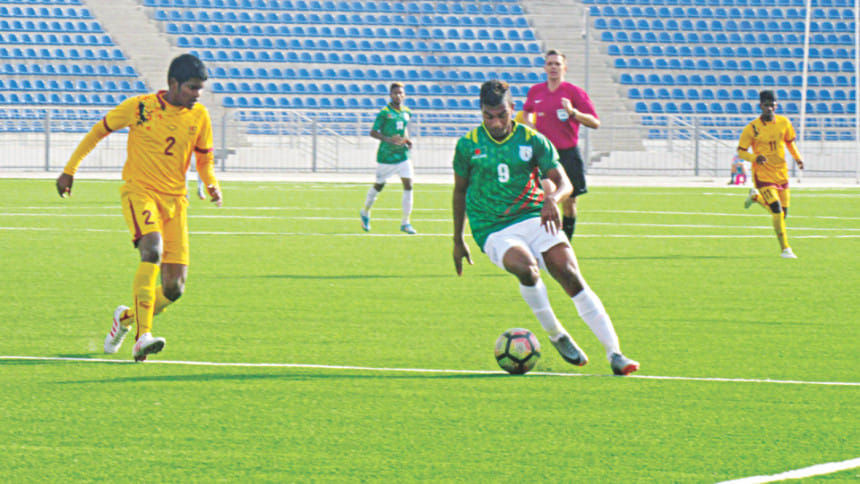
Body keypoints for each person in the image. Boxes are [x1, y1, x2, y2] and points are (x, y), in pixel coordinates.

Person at [452, 80, 639, 376]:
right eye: (488, 116)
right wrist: (458, 239)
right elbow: (460, 191)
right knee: (526, 268)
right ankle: (556, 334)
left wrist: (552, 198)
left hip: (534, 216)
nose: (496, 123)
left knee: (570, 274)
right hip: (493, 227)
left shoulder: (533, 140)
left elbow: (565, 182)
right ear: (481, 112)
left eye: (502, 115)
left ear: (513, 109)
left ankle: (615, 353)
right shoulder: (468, 145)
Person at [56, 53, 223, 361]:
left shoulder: (199, 116)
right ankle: (142, 336)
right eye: (191, 88)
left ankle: (125, 318)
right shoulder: (140, 108)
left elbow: (204, 158)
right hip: (141, 192)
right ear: (173, 83)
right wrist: (70, 169)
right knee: (152, 250)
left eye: (200, 88)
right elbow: (98, 131)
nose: (197, 95)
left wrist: (211, 183)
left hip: (176, 202)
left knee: (174, 288)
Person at [520, 49, 600, 240]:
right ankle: (543, 240)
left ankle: (566, 243)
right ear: (544, 68)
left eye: (557, 64)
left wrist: (573, 112)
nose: (553, 67)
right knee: (540, 198)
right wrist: (530, 125)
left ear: (565, 68)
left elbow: (595, 122)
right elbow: (526, 111)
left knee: (569, 204)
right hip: (543, 155)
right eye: (550, 64)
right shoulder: (536, 91)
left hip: (567, 154)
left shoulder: (574, 92)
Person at [737, 90, 805, 259]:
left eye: (772, 105)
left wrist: (798, 158)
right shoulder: (752, 128)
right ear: (760, 106)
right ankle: (785, 249)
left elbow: (790, 143)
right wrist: (754, 158)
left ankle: (756, 198)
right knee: (776, 209)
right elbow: (741, 151)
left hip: (781, 172)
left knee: (783, 214)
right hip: (763, 174)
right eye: (766, 105)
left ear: (776, 105)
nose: (769, 108)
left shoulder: (784, 123)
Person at [360, 82, 416, 234]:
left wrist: (407, 140)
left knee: (409, 185)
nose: (398, 95)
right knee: (379, 186)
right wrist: (388, 139)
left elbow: (403, 128)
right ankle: (365, 211)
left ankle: (405, 222)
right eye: (395, 93)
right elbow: (373, 132)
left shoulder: (407, 112)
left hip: (403, 155)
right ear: (391, 95)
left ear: (404, 95)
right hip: (386, 157)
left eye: (400, 93)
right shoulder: (384, 113)